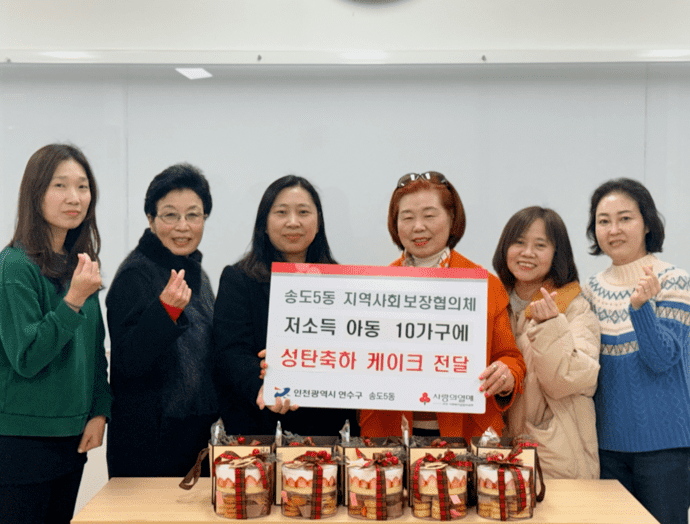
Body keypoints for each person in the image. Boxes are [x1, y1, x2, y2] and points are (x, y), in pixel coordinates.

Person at [359, 172, 526, 439]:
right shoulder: (375, 288)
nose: (418, 227)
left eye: (429, 215)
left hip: (468, 431)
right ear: (395, 223)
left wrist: (506, 375)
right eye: (407, 217)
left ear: (452, 218)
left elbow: (510, 358)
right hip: (388, 429)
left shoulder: (484, 285)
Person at [0, 144, 111, 524]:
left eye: (82, 187)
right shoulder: (14, 266)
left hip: (71, 436)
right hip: (21, 439)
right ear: (35, 194)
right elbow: (27, 356)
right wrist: (73, 300)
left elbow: (94, 349)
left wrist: (100, 411)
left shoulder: (81, 263)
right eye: (59, 185)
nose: (74, 198)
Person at [582, 178, 690, 524]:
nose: (614, 229)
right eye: (604, 221)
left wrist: (641, 307)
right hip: (607, 449)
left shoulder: (673, 279)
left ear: (647, 223)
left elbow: (661, 359)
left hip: (664, 450)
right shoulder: (590, 291)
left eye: (625, 218)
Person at [214, 175, 356, 436]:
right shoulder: (238, 279)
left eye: (303, 212)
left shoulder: (341, 281)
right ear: (265, 224)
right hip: (259, 426)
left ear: (318, 222)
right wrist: (266, 387)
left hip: (326, 428)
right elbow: (231, 351)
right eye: (281, 212)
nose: (293, 222)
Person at [106, 163, 218, 477]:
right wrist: (165, 311)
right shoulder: (135, 274)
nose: (183, 227)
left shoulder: (197, 273)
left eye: (193, 215)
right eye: (170, 215)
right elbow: (127, 362)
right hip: (151, 444)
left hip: (197, 436)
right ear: (151, 219)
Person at [492, 206, 600, 479]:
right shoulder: (491, 301)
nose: (527, 253)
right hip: (496, 451)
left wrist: (551, 326)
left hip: (555, 456)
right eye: (519, 242)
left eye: (540, 245)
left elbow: (570, 379)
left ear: (556, 254)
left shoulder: (573, 306)